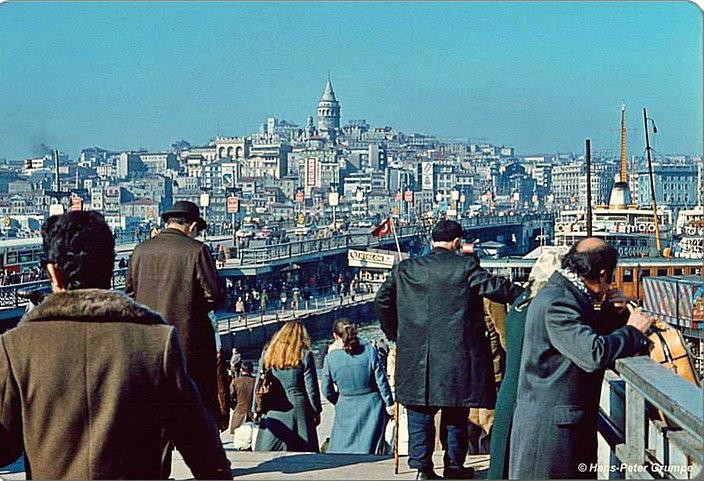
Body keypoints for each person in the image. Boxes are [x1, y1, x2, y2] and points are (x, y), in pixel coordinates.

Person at [0, 211, 231, 479]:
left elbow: (6, 448)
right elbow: (200, 444)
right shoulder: (155, 341)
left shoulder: (16, 347)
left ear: (54, 273)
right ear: (110, 267)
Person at [375, 219, 523, 480]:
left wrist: (395, 332)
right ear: (457, 242)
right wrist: (525, 293)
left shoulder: (406, 268)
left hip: (416, 356)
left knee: (419, 412)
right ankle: (454, 466)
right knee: (456, 414)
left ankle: (423, 469)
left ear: (432, 240)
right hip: (457, 357)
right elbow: (495, 288)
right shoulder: (465, 266)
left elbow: (382, 300)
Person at [509, 238, 653, 479]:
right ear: (604, 273)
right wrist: (633, 332)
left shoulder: (563, 293)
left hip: (561, 428)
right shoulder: (559, 302)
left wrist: (610, 313)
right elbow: (592, 353)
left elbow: (578, 339)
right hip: (552, 436)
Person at [125, 200, 226, 478]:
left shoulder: (141, 250)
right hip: (189, 344)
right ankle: (212, 468)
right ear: (192, 225)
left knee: (155, 412)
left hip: (147, 346)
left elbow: (130, 293)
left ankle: (157, 470)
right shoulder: (197, 251)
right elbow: (214, 295)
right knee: (198, 410)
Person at [487, 249, 563, 479]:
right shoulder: (546, 306)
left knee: (501, 457)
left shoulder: (522, 302)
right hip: (527, 395)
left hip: (510, 388)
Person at [321, 319, 395, 455]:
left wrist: (338, 400)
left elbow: (326, 389)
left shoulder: (330, 358)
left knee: (343, 444)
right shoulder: (369, 351)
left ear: (335, 336)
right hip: (372, 404)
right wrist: (389, 404)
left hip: (345, 404)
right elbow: (382, 381)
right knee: (372, 446)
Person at [254, 320, 322, 452]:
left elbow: (259, 382)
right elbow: (311, 388)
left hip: (273, 407)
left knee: (269, 449)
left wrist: (256, 408)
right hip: (298, 408)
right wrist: (316, 410)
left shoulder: (268, 352)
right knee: (304, 450)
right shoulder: (304, 354)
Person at [229, 361, 256, 434]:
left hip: (239, 411)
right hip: (253, 412)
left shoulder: (236, 381)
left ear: (241, 370)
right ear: (252, 370)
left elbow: (230, 396)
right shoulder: (255, 381)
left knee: (238, 438)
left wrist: (234, 406)